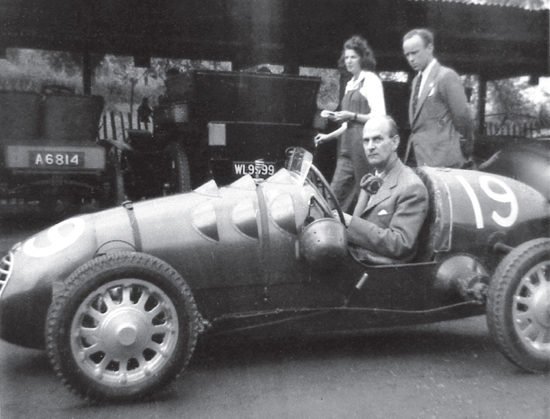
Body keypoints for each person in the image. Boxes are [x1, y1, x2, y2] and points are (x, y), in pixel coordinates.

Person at [338, 115, 429, 265]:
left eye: (377, 139)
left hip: (376, 269)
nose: (370, 146)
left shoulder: (411, 187)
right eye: (366, 141)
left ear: (395, 142)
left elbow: (401, 244)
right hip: (357, 258)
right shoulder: (373, 178)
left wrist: (350, 223)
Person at [315, 35, 386, 213]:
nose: (348, 61)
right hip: (347, 148)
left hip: (365, 147)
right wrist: (328, 136)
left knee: (365, 196)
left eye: (353, 57)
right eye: (346, 57)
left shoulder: (370, 80)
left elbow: (380, 115)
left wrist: (352, 115)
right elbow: (347, 124)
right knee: (335, 193)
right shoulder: (349, 84)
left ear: (362, 58)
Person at [403, 28, 474, 168]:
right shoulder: (416, 81)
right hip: (418, 158)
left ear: (430, 48)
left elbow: (463, 117)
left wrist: (462, 150)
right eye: (407, 54)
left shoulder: (446, 76)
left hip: (443, 161)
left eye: (415, 52)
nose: (411, 59)